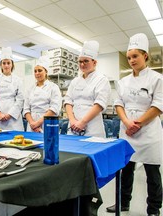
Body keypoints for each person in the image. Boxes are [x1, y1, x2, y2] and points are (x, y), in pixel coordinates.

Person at [106, 33, 162, 216]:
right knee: (125, 170)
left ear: (145, 55)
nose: (131, 60)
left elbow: (158, 106)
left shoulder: (157, 79)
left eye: (135, 56)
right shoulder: (123, 82)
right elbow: (118, 103)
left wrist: (136, 123)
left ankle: (153, 209)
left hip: (148, 132)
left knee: (152, 173)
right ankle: (123, 203)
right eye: (129, 57)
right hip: (127, 129)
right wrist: (126, 122)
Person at [63, 40, 111, 137]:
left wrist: (82, 123)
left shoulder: (101, 80)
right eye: (80, 61)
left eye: (86, 61)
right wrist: (72, 121)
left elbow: (99, 104)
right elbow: (68, 101)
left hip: (93, 128)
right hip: (73, 128)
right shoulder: (75, 81)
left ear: (94, 62)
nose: (82, 64)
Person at [23, 55, 62, 132]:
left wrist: (38, 123)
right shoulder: (30, 89)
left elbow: (54, 108)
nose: (37, 73)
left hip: (47, 123)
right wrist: (32, 123)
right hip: (32, 125)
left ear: (46, 71)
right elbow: (26, 109)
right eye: (35, 71)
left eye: (40, 70)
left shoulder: (53, 87)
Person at [0, 47, 24, 131]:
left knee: (15, 141)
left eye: (8, 63)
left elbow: (20, 100)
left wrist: (9, 115)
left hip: (13, 120)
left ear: (12, 64)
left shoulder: (18, 80)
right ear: (1, 65)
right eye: (4, 63)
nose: (6, 65)